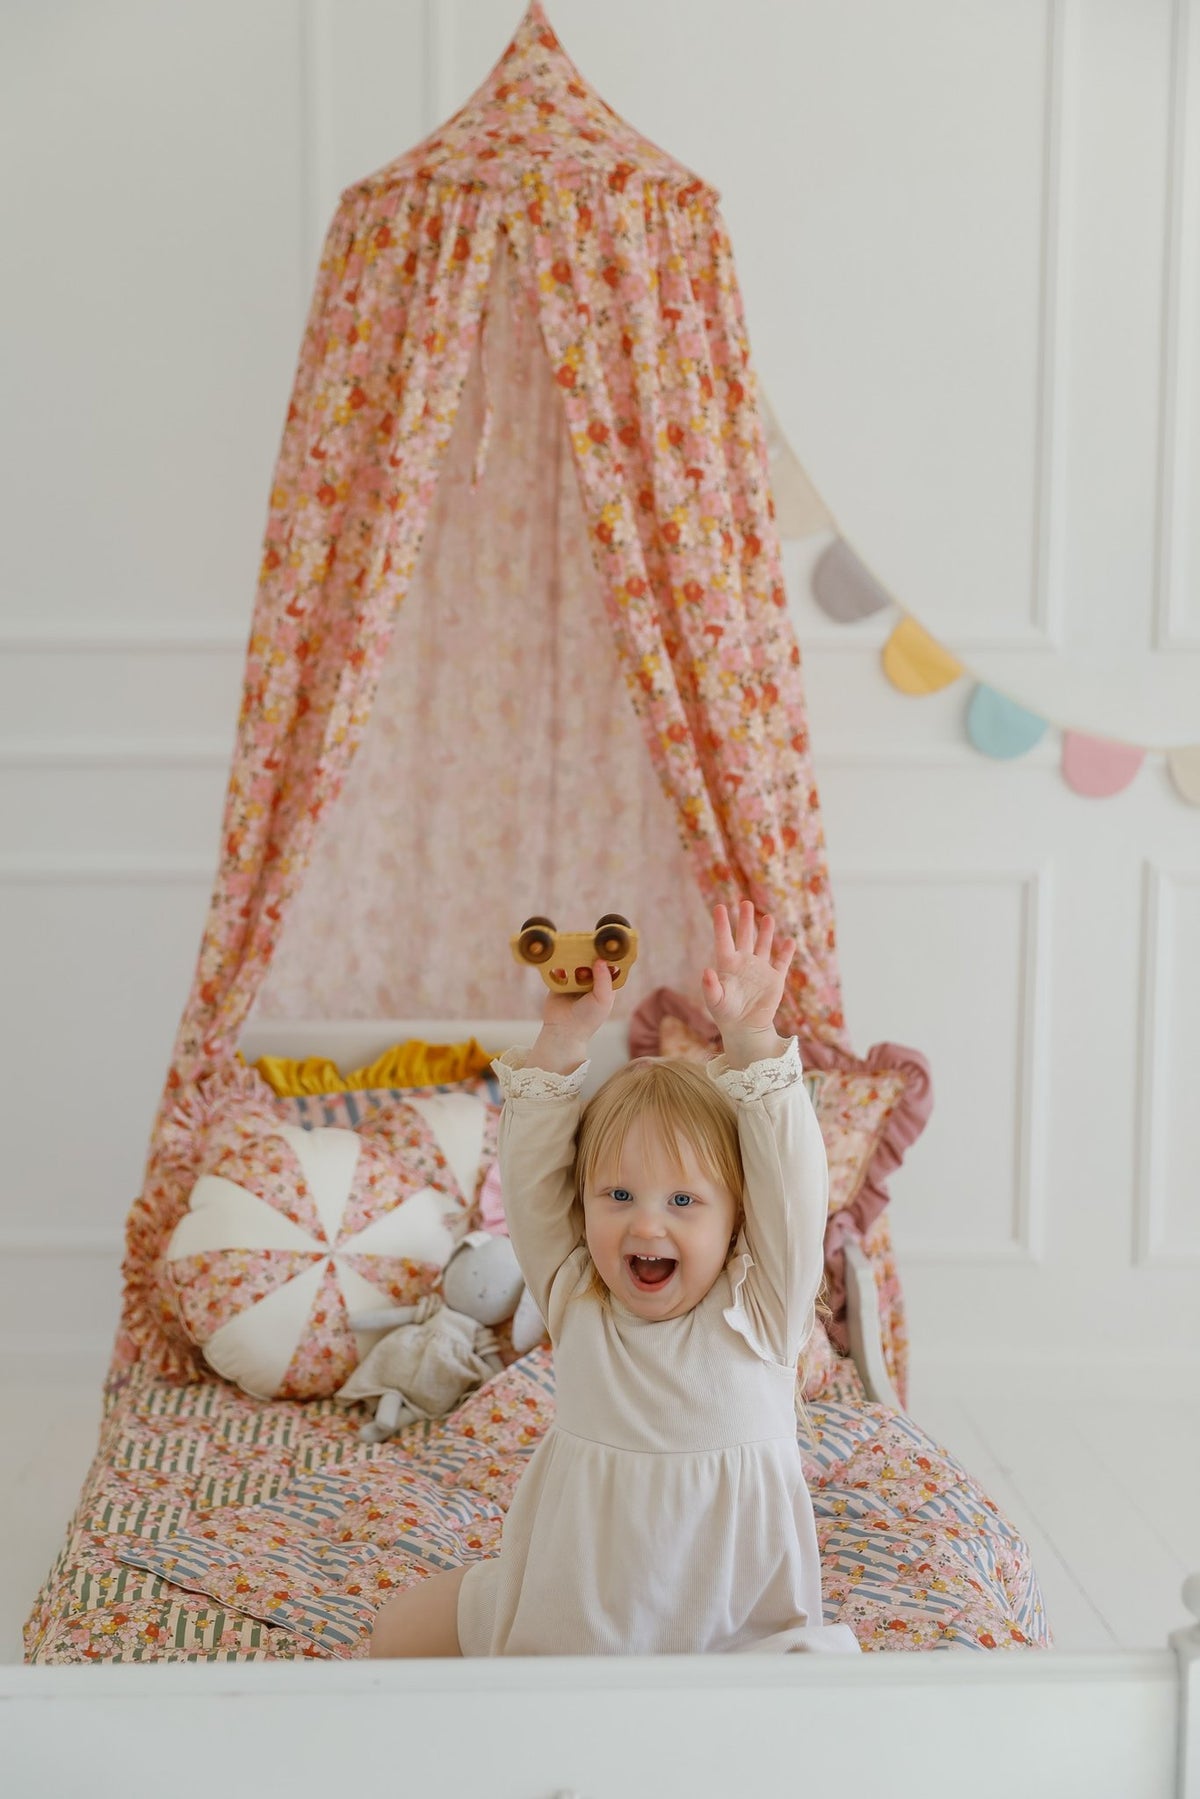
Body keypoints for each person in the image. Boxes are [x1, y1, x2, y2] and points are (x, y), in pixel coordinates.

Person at [369, 898, 859, 1657]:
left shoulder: (758, 1309)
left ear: (738, 1219)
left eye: (684, 1201)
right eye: (618, 1196)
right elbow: (533, 1185)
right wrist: (563, 1040)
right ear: (585, 1201)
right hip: (577, 1624)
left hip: (727, 1634)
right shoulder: (579, 1297)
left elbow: (794, 1186)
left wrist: (754, 1038)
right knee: (398, 1629)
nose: (646, 1225)